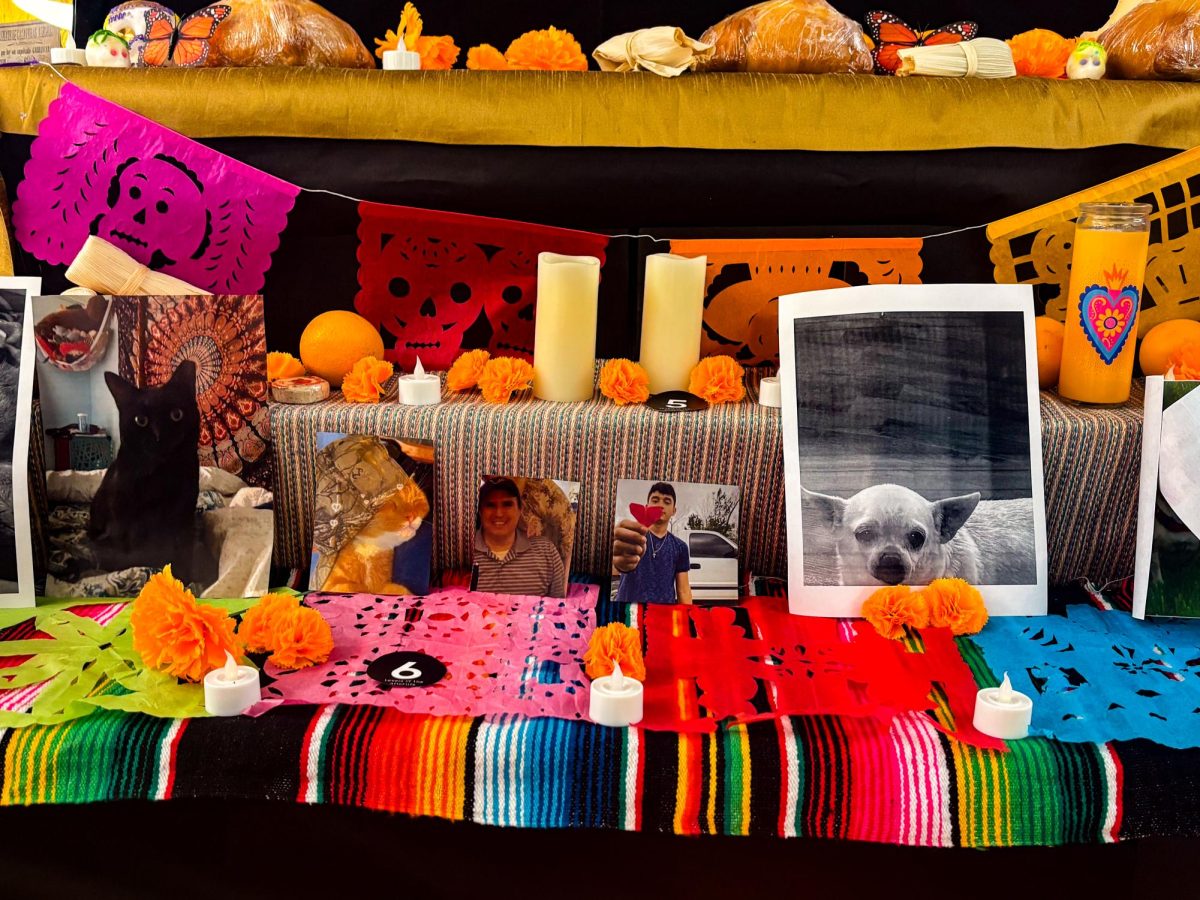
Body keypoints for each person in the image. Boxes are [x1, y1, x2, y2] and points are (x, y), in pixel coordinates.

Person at [472, 477, 567, 597]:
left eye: (507, 504)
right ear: (480, 511)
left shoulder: (546, 552)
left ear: (520, 510)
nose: (499, 513)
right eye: (490, 505)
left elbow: (560, 610)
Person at [612, 481, 692, 604]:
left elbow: (684, 591)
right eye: (655, 500)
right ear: (646, 506)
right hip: (628, 611)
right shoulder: (632, 537)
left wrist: (686, 617)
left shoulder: (680, 547)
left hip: (662, 614)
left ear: (674, 511)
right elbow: (616, 569)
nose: (660, 505)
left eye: (667, 502)